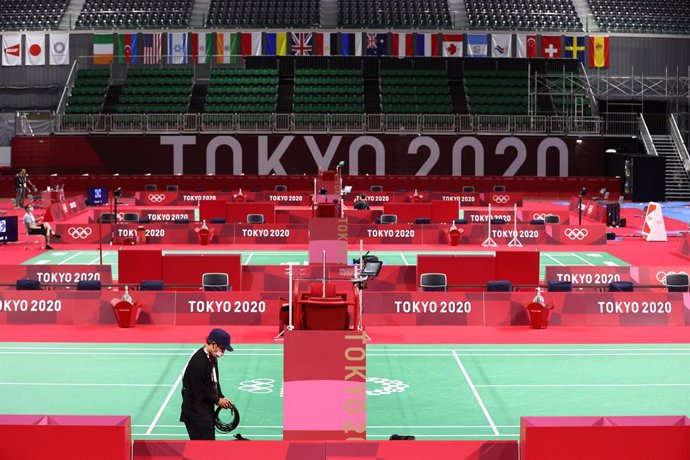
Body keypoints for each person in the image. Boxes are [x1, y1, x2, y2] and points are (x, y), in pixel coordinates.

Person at [180, 328, 234, 440]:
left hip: (205, 408)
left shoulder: (212, 358)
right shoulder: (198, 362)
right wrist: (218, 400)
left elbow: (214, 381)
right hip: (195, 412)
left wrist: (221, 396)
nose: (222, 353)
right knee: (203, 448)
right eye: (222, 349)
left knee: (209, 445)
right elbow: (199, 391)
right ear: (214, 344)